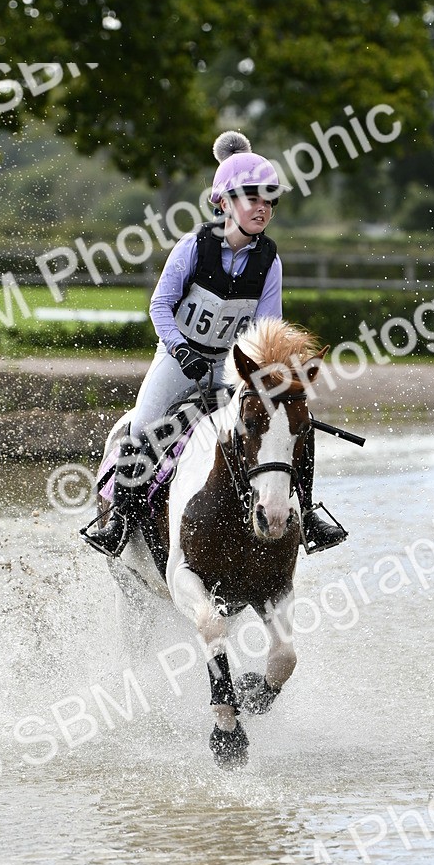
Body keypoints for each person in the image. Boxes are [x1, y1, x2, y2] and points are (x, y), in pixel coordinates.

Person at [83, 130, 347, 557]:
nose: (262, 208)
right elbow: (159, 306)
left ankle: (309, 516)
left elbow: (267, 328)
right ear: (225, 202)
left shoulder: (269, 261)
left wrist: (270, 373)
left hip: (231, 366)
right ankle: (119, 523)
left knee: (291, 422)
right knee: (143, 427)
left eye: (269, 201)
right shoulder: (193, 248)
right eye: (252, 199)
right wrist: (180, 349)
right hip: (177, 358)